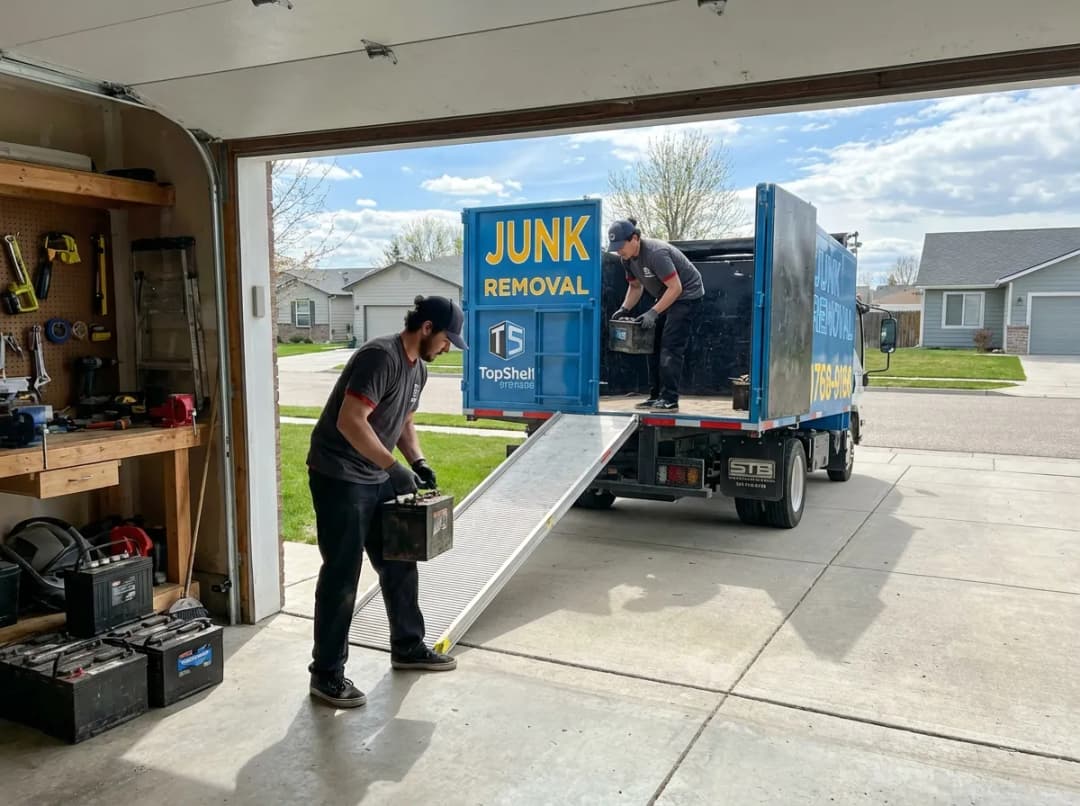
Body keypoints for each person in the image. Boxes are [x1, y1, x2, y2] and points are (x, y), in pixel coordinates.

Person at [305, 294, 468, 708]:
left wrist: (418, 460)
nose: (449, 348)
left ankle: (408, 646)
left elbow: (403, 421)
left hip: (376, 472)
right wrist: (393, 467)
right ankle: (326, 674)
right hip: (340, 474)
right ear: (426, 328)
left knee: (400, 558)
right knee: (343, 573)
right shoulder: (380, 357)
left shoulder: (419, 371)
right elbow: (350, 421)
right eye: (447, 339)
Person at [607, 218, 704, 412]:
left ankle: (670, 400)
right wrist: (624, 309)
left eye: (621, 246)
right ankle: (656, 396)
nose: (619, 251)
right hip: (665, 295)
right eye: (615, 247)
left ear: (634, 238)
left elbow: (676, 288)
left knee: (670, 347)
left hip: (686, 296)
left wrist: (653, 312)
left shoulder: (656, 253)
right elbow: (635, 287)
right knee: (652, 344)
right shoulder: (626, 259)